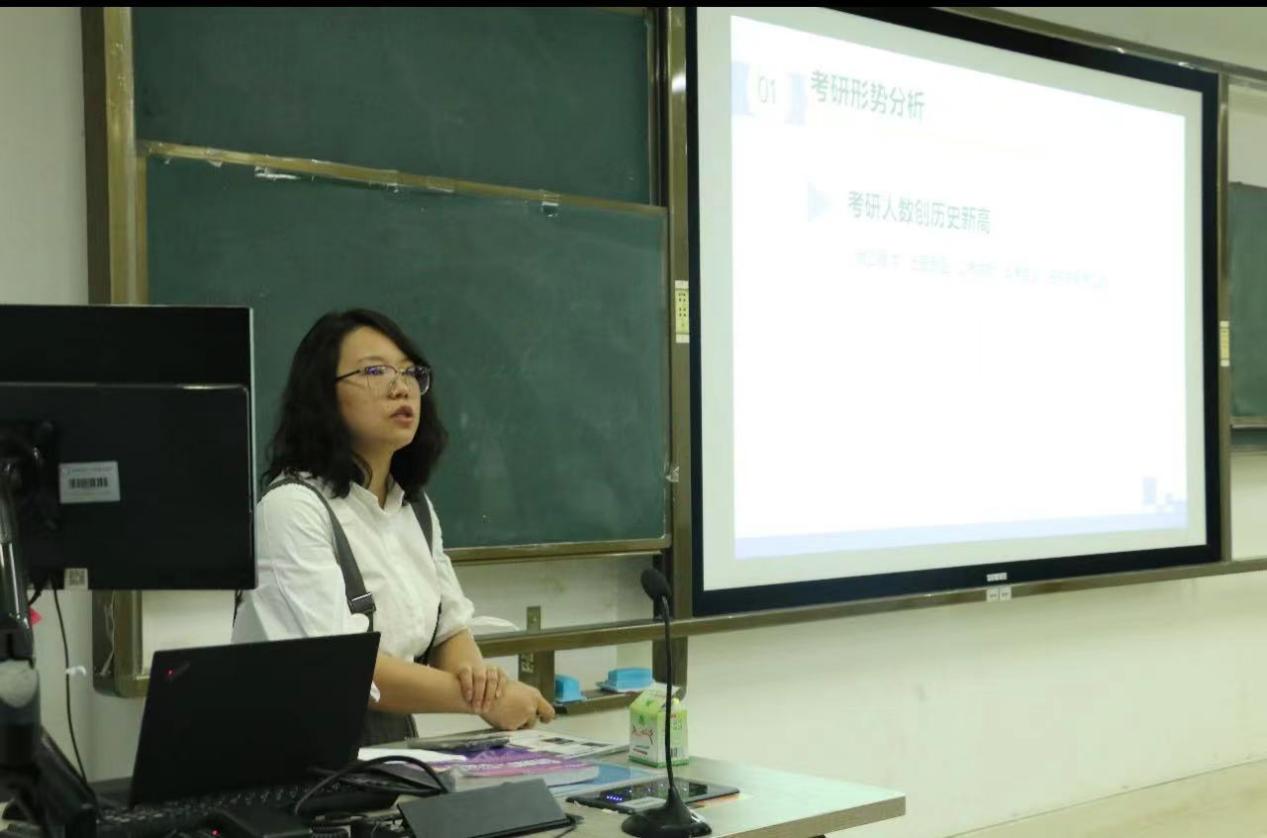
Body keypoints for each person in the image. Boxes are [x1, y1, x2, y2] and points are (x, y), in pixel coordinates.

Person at [232, 309, 555, 744]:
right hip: (295, 752)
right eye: (375, 371)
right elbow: (346, 670)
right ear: (323, 395)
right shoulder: (291, 509)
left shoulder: (414, 508)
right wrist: (485, 702)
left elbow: (448, 629)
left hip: (388, 743)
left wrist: (484, 685)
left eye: (410, 373)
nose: (401, 387)